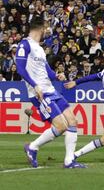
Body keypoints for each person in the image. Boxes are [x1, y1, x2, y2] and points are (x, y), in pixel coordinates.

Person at [16, 17, 86, 169]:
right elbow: (20, 69)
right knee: (60, 126)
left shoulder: (39, 48)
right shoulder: (24, 44)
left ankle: (69, 161)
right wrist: (35, 86)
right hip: (39, 92)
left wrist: (56, 76)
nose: (48, 30)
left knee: (72, 121)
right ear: (40, 28)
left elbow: (45, 69)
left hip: (50, 89)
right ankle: (33, 147)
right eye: (46, 27)